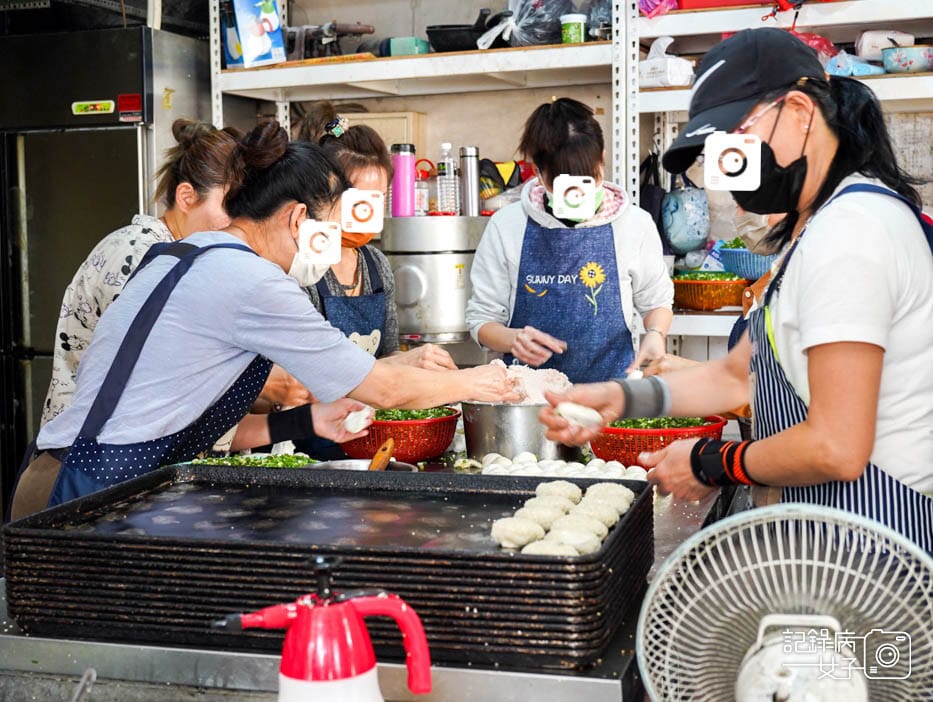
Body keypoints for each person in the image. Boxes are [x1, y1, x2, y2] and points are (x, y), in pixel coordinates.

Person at [540, 28, 933, 553]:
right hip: (828, 533)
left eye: (734, 139)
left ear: (799, 111)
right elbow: (737, 377)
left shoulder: (853, 232)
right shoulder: (817, 227)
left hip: (876, 547)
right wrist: (619, 397)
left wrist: (711, 464)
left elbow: (837, 446)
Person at [10, 121, 517, 520]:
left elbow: (173, 412)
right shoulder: (253, 279)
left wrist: (305, 419)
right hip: (94, 492)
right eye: (326, 228)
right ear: (298, 219)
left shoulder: (181, 254)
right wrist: (482, 381)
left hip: (54, 476)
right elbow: (379, 387)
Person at [465, 97, 673, 383]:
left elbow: (656, 301)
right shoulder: (507, 225)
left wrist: (655, 334)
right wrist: (512, 340)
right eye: (564, 187)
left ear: (601, 161)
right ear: (538, 173)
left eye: (588, 179)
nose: (578, 197)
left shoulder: (634, 224)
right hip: (528, 400)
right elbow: (482, 320)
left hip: (611, 396)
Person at [308, 114, 456, 371]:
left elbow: (388, 354)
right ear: (323, 193)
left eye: (377, 199)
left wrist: (414, 361)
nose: (368, 213)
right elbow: (310, 368)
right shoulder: (302, 268)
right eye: (358, 202)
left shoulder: (375, 263)